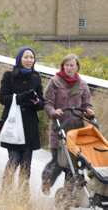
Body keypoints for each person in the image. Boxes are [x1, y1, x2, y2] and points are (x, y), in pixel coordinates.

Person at [41, 54, 93, 195]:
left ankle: (66, 196)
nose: (69, 68)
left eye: (72, 65)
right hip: (59, 128)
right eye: (67, 65)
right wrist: (53, 111)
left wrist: (89, 112)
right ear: (63, 66)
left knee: (73, 165)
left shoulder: (82, 85)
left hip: (77, 131)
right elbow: (47, 103)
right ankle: (46, 181)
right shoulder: (54, 82)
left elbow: (87, 103)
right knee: (58, 162)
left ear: (77, 67)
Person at [0, 46, 44, 191]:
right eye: (26, 57)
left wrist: (37, 102)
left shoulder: (36, 78)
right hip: (13, 125)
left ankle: (23, 197)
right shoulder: (9, 76)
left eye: (31, 57)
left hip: (29, 126)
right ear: (19, 59)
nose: (29, 60)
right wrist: (20, 97)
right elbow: (3, 99)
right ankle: (5, 193)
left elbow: (42, 103)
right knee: (14, 160)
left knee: (27, 164)